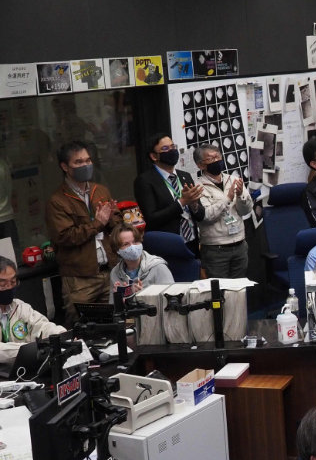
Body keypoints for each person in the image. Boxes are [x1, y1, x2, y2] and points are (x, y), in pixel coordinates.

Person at [45, 140, 123, 323]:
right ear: (65, 166)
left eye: (88, 160)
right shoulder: (57, 201)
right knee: (81, 328)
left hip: (109, 271)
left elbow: (117, 224)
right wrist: (98, 223)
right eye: (78, 162)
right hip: (79, 279)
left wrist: (111, 217)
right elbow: (65, 236)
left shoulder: (100, 190)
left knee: (114, 324)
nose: (86, 165)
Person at [133, 133, 205, 256]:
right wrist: (182, 202)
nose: (172, 151)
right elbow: (152, 219)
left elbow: (200, 215)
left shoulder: (184, 176)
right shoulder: (145, 181)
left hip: (191, 243)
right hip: (167, 247)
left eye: (173, 147)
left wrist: (194, 204)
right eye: (165, 149)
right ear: (154, 156)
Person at [192, 144, 253, 278]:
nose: (216, 161)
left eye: (218, 156)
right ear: (201, 165)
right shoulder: (197, 187)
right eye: (211, 159)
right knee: (219, 292)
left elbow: (246, 210)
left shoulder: (233, 179)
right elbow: (207, 216)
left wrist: (241, 195)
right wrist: (228, 198)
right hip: (215, 249)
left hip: (240, 245)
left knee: (240, 289)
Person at [0, 256, 65, 377]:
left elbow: (41, 325)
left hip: (23, 372)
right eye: (2, 284)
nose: (9, 287)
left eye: (13, 282)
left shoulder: (18, 306)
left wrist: (62, 336)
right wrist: (31, 349)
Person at [108, 223, 174, 301]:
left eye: (135, 242)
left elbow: (171, 301)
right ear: (117, 250)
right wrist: (118, 300)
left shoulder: (158, 267)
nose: (132, 247)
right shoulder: (115, 273)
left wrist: (143, 297)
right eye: (126, 244)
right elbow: (113, 309)